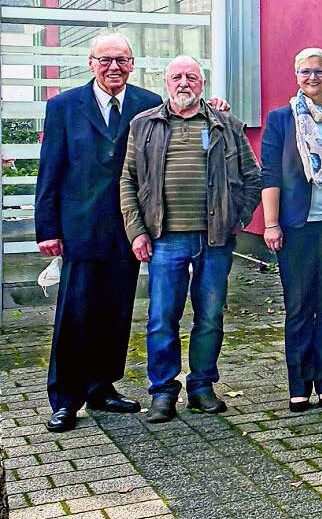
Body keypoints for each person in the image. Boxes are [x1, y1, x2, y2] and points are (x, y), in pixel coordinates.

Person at [119, 56, 260, 423]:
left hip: (215, 240)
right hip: (165, 239)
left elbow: (253, 177)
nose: (184, 83)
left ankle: (201, 386)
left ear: (202, 83)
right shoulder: (144, 125)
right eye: (177, 77)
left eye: (192, 77)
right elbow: (128, 180)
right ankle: (163, 391)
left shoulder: (225, 124)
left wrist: (238, 218)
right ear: (166, 82)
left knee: (210, 317)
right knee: (162, 318)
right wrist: (137, 231)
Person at [34, 33, 160, 432]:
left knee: (116, 311)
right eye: (105, 60)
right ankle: (65, 398)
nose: (114, 67)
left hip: (128, 228)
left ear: (132, 64)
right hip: (80, 228)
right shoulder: (64, 106)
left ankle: (101, 387)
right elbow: (50, 169)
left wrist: (217, 106)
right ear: (91, 63)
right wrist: (47, 228)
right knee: (75, 314)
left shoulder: (148, 103)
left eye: (121, 60)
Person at [260, 48, 322, 413]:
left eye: (320, 71)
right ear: (296, 76)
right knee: (299, 306)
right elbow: (270, 173)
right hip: (296, 227)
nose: (312, 77)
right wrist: (271, 223)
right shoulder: (280, 119)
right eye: (305, 71)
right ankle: (299, 386)